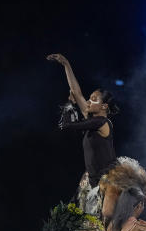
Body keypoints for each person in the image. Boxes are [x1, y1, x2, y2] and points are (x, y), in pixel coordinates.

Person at [47, 53, 119, 192]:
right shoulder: (92, 120)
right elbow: (76, 91)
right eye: (89, 98)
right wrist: (66, 64)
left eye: (93, 99)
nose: (88, 101)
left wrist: (69, 103)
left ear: (104, 106)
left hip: (108, 183)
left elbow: (66, 126)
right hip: (94, 182)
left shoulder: (101, 122)